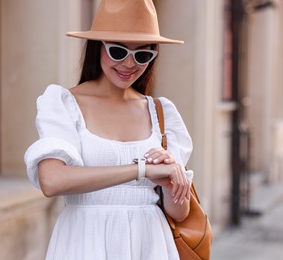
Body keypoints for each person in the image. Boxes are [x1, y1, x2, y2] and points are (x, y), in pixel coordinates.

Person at [24, 0, 194, 259]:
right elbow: (52, 181)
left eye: (142, 55)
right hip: (84, 241)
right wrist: (141, 170)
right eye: (118, 51)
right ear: (98, 47)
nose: (129, 64)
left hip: (149, 243)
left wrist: (172, 179)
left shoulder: (161, 112)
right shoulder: (63, 103)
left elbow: (179, 213)